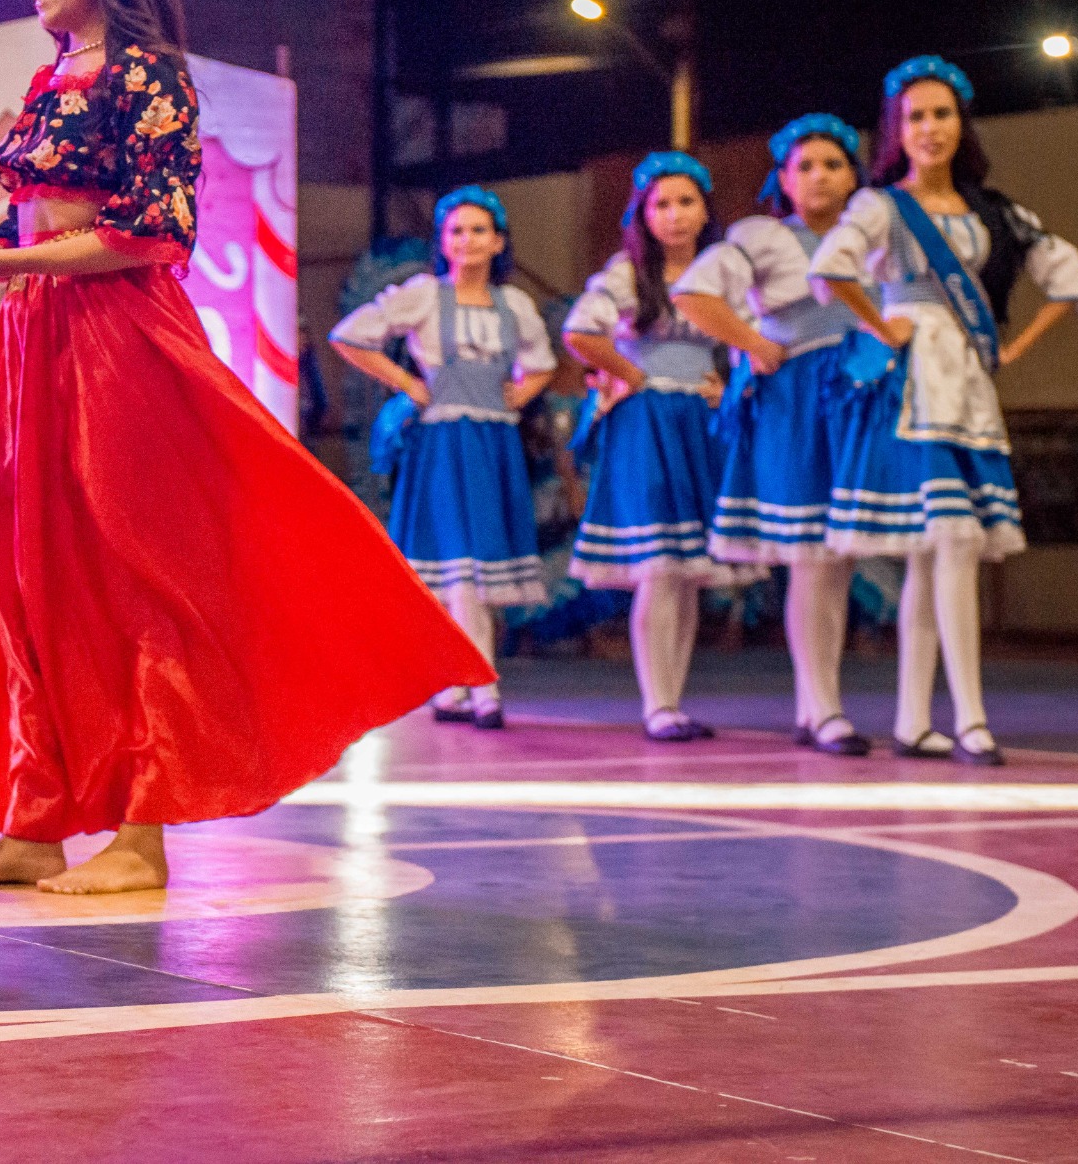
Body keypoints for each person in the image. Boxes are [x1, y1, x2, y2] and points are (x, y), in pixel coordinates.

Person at [0, 0, 492, 896]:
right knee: (15, 574)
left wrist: (2, 262)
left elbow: (151, 235)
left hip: (115, 344)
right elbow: (24, 204)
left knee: (133, 575)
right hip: (30, 345)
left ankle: (140, 838)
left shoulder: (152, 75)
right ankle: (34, 821)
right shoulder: (50, 77)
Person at [811, 55, 1078, 766]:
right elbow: (831, 268)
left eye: (942, 114)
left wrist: (1014, 347)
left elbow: (1070, 280)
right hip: (912, 386)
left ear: (961, 124)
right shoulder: (879, 206)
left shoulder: (992, 211)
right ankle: (970, 717)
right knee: (952, 541)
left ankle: (916, 721)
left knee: (938, 551)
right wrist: (881, 326)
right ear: (896, 130)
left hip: (968, 380)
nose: (930, 128)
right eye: (915, 117)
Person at [671, 115, 873, 756]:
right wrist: (754, 343)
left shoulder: (870, 238)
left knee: (837, 561)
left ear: (854, 177)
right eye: (804, 166)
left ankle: (818, 707)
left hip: (857, 398)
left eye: (833, 165)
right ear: (782, 179)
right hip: (795, 402)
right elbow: (693, 292)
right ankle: (823, 709)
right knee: (814, 558)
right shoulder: (764, 238)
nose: (819, 176)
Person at [330, 185, 558, 730]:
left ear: (499, 240)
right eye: (456, 230)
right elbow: (350, 336)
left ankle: (458, 687)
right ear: (442, 240)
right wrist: (408, 381)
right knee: (461, 571)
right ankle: (480, 686)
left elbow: (543, 362)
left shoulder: (513, 304)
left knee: (477, 570)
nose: (467, 240)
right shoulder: (426, 296)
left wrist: (520, 394)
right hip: (444, 445)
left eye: (479, 230)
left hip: (493, 444)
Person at [562, 152, 737, 743]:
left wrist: (727, 385)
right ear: (643, 214)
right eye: (662, 204)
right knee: (660, 568)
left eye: (687, 202)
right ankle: (657, 705)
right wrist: (633, 375)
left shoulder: (721, 274)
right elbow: (579, 332)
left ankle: (672, 703)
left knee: (686, 572)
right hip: (647, 424)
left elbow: (752, 337)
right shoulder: (627, 274)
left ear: (706, 210)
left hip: (700, 424)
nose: (675, 214)